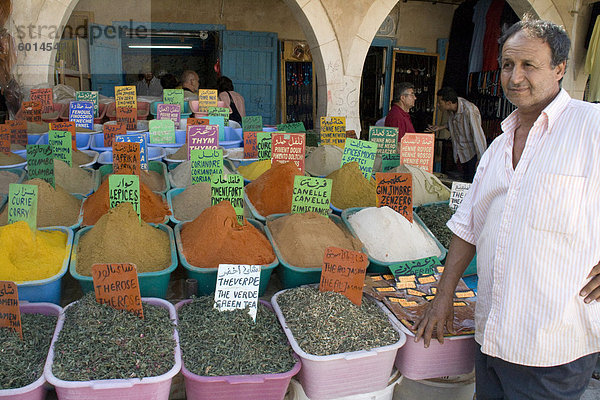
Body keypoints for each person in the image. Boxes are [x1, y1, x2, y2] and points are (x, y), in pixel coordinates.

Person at [414, 18, 600, 399]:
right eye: (507, 65)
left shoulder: (590, 127)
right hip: (492, 337)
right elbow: (469, 226)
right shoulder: (498, 147)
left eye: (529, 65)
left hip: (553, 347)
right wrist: (444, 295)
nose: (514, 77)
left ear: (560, 68)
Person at [426, 87, 487, 182]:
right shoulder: (452, 110)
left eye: (439, 102)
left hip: (472, 155)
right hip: (461, 154)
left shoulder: (469, 110)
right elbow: (458, 126)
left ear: (449, 103)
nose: (437, 105)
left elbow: (478, 135)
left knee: (470, 184)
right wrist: (440, 127)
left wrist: (481, 159)